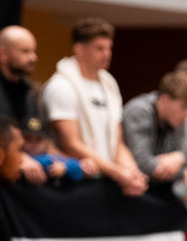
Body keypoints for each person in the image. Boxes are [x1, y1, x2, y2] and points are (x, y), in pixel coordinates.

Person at [39, 17, 148, 197]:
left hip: (105, 178)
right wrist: (117, 173)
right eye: (99, 48)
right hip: (72, 184)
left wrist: (132, 173)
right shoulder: (61, 86)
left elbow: (117, 142)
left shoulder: (110, 85)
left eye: (109, 48)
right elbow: (71, 144)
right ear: (79, 49)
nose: (107, 54)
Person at [123, 70, 187, 205]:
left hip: (153, 191)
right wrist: (183, 173)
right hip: (127, 193)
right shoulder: (140, 111)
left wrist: (179, 157)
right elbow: (142, 164)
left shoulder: (176, 118)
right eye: (184, 107)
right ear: (165, 99)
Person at [0, 25, 46, 184]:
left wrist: (68, 160)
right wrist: (20, 158)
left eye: (34, 51)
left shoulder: (33, 92)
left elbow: (40, 136)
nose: (33, 58)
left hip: (29, 171)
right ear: (3, 54)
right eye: (25, 51)